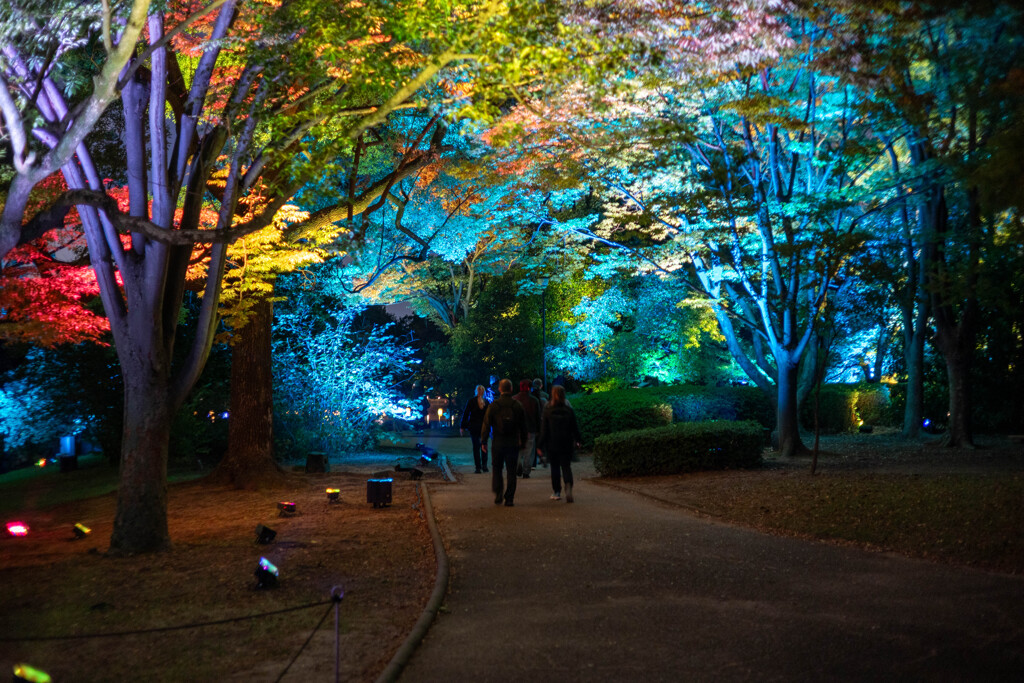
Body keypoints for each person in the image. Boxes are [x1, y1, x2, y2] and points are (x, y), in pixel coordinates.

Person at [481, 378, 527, 506]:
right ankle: (510, 498)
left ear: (500, 389)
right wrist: (523, 442)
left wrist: (483, 441)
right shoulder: (517, 405)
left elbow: (486, 424)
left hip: (498, 441)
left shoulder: (494, 405)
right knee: (511, 471)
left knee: (497, 468)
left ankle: (498, 493)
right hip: (512, 442)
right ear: (511, 389)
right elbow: (523, 426)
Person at [536, 384, 582, 503]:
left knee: (555, 468)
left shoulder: (548, 410)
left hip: (552, 443)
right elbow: (574, 428)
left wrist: (540, 445)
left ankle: (556, 491)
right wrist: (578, 440)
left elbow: (544, 430)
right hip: (566, 442)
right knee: (566, 466)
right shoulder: (569, 410)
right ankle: (568, 484)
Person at [459, 385, 490, 473]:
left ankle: (478, 467)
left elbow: (466, 414)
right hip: (484, 427)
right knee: (484, 445)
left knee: (476, 447)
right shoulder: (486, 402)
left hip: (474, 427)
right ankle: (484, 465)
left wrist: (462, 426)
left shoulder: (471, 401)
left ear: (475, 391)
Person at [513, 379, 541, 477]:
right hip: (530, 429)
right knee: (529, 451)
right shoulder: (534, 400)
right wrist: (538, 429)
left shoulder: (514, 399)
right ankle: (526, 471)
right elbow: (537, 416)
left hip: (517, 430)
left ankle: (518, 466)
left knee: (517, 450)